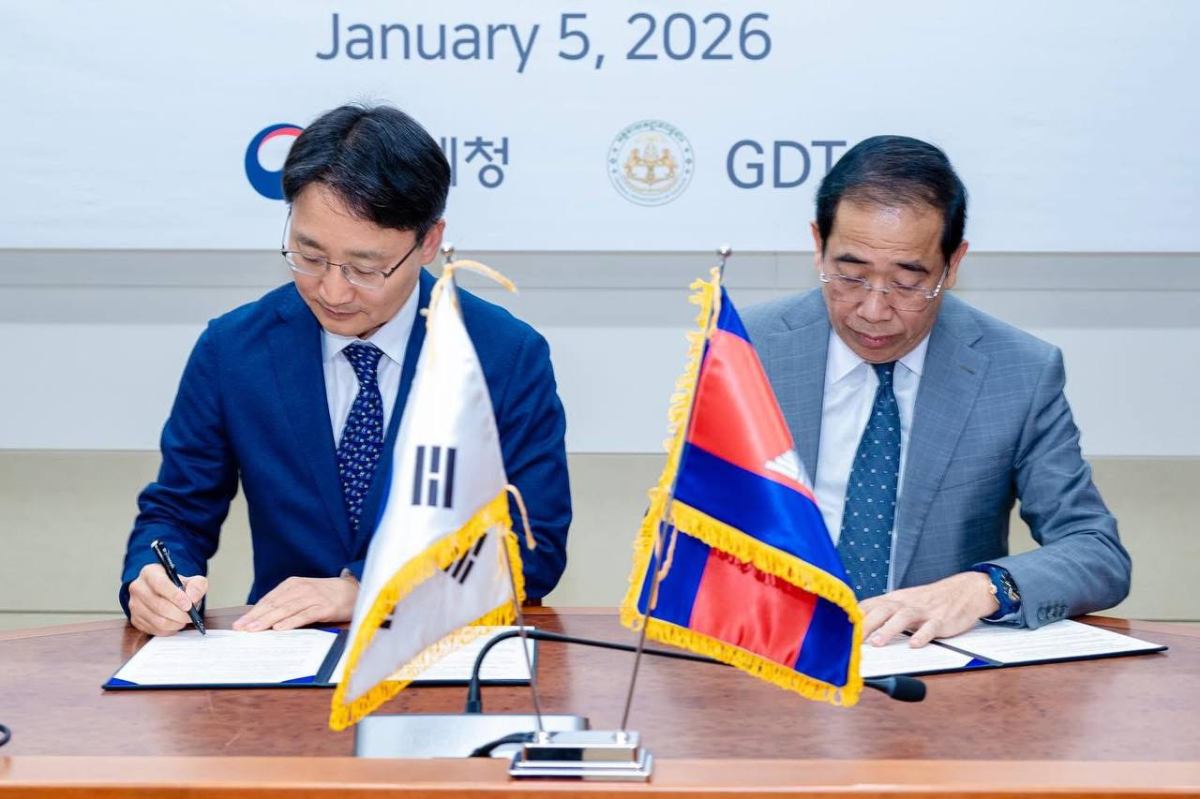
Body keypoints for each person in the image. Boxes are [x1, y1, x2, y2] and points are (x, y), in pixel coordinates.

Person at [120, 104, 571, 636]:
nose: (332, 292)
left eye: (365, 268)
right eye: (309, 257)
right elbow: (176, 511)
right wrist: (155, 577)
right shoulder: (234, 350)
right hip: (282, 656)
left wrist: (367, 589)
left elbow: (531, 549)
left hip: (439, 652)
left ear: (429, 242)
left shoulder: (502, 356)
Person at [741, 135, 1130, 647]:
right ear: (818, 244)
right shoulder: (747, 350)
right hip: (766, 654)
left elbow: (1097, 551)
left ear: (953, 263)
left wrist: (983, 588)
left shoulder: (1018, 372)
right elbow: (675, 530)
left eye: (907, 283)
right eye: (850, 275)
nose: (873, 310)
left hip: (931, 668)